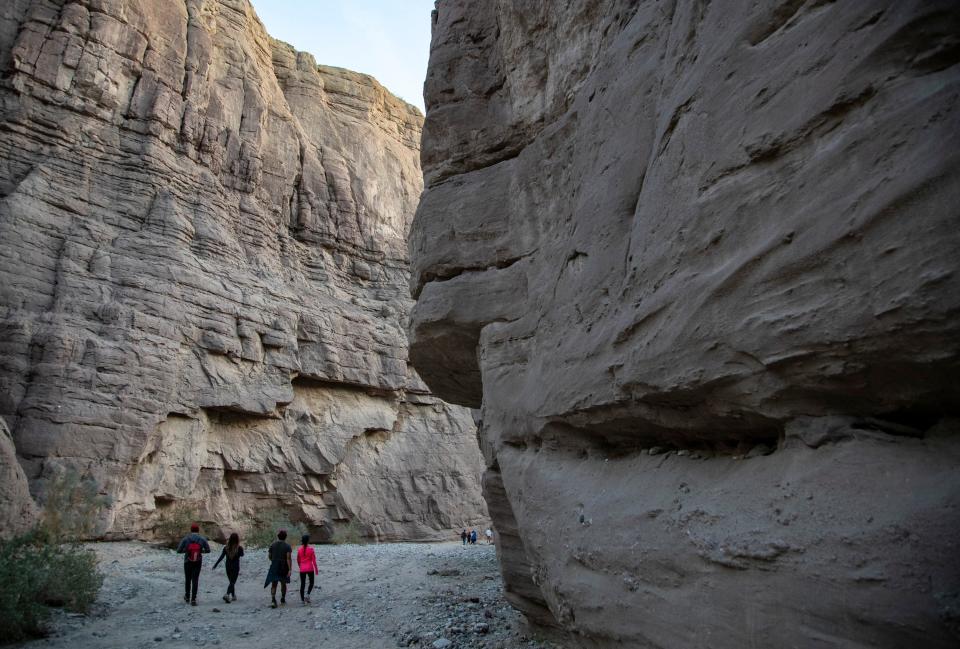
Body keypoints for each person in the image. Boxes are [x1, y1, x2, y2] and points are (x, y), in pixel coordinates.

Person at [176, 523, 211, 606]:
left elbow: (178, 550)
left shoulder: (186, 538)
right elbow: (208, 550)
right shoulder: (202, 539)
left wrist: (187, 551)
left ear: (191, 530)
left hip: (187, 561)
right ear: (198, 530)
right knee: (195, 580)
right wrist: (199, 551)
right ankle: (193, 599)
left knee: (188, 579)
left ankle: (187, 596)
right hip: (198, 561)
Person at [264, 529, 292, 608]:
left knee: (274, 583)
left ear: (278, 536)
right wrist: (290, 569)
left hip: (274, 565)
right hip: (284, 566)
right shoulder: (287, 546)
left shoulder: (273, 545)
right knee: (283, 583)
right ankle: (282, 598)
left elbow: (269, 556)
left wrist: (274, 561)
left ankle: (273, 600)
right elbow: (288, 558)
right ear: (285, 537)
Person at [212, 532, 244, 603]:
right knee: (233, 582)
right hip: (235, 566)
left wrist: (216, 564)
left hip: (228, 566)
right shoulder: (239, 548)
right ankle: (227, 594)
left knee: (231, 581)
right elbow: (242, 555)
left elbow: (221, 557)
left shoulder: (226, 548)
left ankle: (233, 596)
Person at [297, 534, 319, 605]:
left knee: (302, 584)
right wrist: (316, 570)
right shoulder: (311, 549)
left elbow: (298, 560)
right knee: (311, 582)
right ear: (308, 541)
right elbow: (314, 561)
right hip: (310, 568)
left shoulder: (299, 549)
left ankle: (302, 600)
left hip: (302, 569)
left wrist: (300, 566)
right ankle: (307, 595)